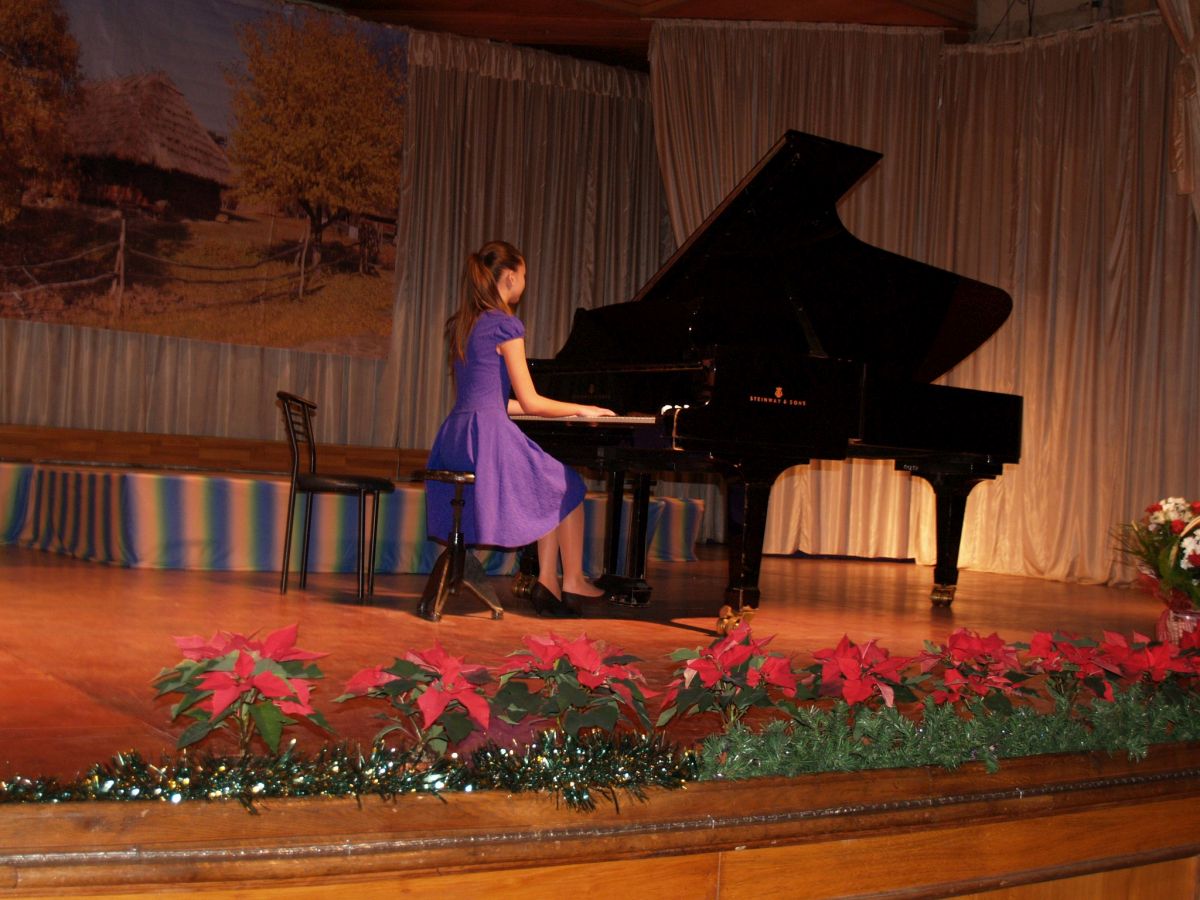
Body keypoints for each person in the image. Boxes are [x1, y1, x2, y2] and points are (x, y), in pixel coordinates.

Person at [425, 240, 615, 617]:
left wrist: (560, 411)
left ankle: (549, 581)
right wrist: (582, 408)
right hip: (486, 438)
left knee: (547, 484)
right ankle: (570, 580)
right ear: (510, 276)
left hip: (456, 436)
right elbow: (529, 401)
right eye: (524, 275)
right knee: (569, 485)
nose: (525, 283)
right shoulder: (506, 325)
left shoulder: (465, 324)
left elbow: (492, 399)